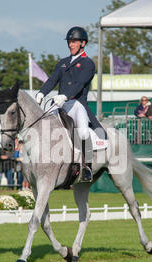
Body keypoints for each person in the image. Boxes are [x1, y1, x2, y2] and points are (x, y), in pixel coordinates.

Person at [35, 26, 102, 183]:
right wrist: (41, 93)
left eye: (74, 42)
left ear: (82, 43)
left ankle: (87, 167)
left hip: (77, 104)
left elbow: (80, 83)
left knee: (84, 133)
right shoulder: (63, 63)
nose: (71, 45)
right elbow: (52, 80)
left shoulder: (88, 63)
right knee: (44, 127)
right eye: (69, 42)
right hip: (60, 104)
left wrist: (65, 95)